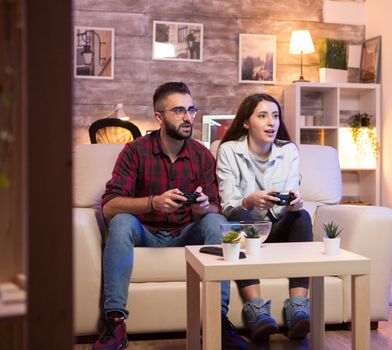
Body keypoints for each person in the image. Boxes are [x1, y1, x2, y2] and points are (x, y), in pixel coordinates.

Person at [93, 82, 247, 350]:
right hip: (146, 233)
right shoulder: (135, 151)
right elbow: (109, 207)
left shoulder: (201, 154)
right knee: (120, 222)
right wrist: (154, 202)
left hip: (187, 234)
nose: (188, 118)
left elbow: (215, 207)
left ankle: (217, 320)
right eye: (179, 111)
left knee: (216, 221)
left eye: (191, 110)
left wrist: (203, 208)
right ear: (159, 116)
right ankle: (114, 323)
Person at [215, 93, 313, 342]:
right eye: (262, 116)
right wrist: (248, 201)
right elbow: (228, 205)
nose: (271, 122)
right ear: (246, 122)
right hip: (246, 228)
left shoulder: (289, 150)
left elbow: (290, 195)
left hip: (277, 223)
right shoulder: (228, 150)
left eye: (275, 116)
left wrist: (293, 204)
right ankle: (256, 310)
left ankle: (299, 307)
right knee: (235, 225)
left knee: (302, 217)